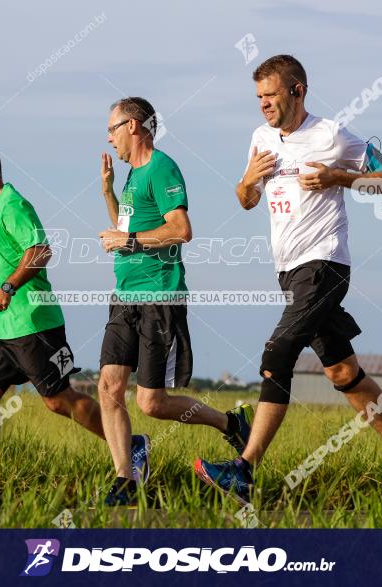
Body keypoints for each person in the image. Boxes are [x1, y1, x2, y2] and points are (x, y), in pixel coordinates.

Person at [194, 55, 382, 505]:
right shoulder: (260, 138)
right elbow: (247, 200)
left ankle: (243, 470)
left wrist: (337, 177)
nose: (264, 104)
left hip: (324, 264)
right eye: (259, 97)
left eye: (271, 95)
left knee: (277, 352)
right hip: (288, 271)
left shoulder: (332, 134)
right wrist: (246, 180)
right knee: (341, 370)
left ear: (297, 91)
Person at [0, 140, 138, 503]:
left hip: (33, 322)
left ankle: (130, 445)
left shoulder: (13, 204)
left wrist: (8, 287)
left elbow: (41, 250)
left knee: (58, 401)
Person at [97, 97, 253, 506]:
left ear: (133, 125)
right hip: (124, 297)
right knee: (109, 388)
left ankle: (230, 423)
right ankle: (125, 479)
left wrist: (126, 239)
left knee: (151, 402)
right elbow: (127, 229)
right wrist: (110, 194)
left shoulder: (162, 167)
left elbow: (181, 230)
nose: (109, 138)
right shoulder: (132, 177)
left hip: (159, 299)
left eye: (112, 128)